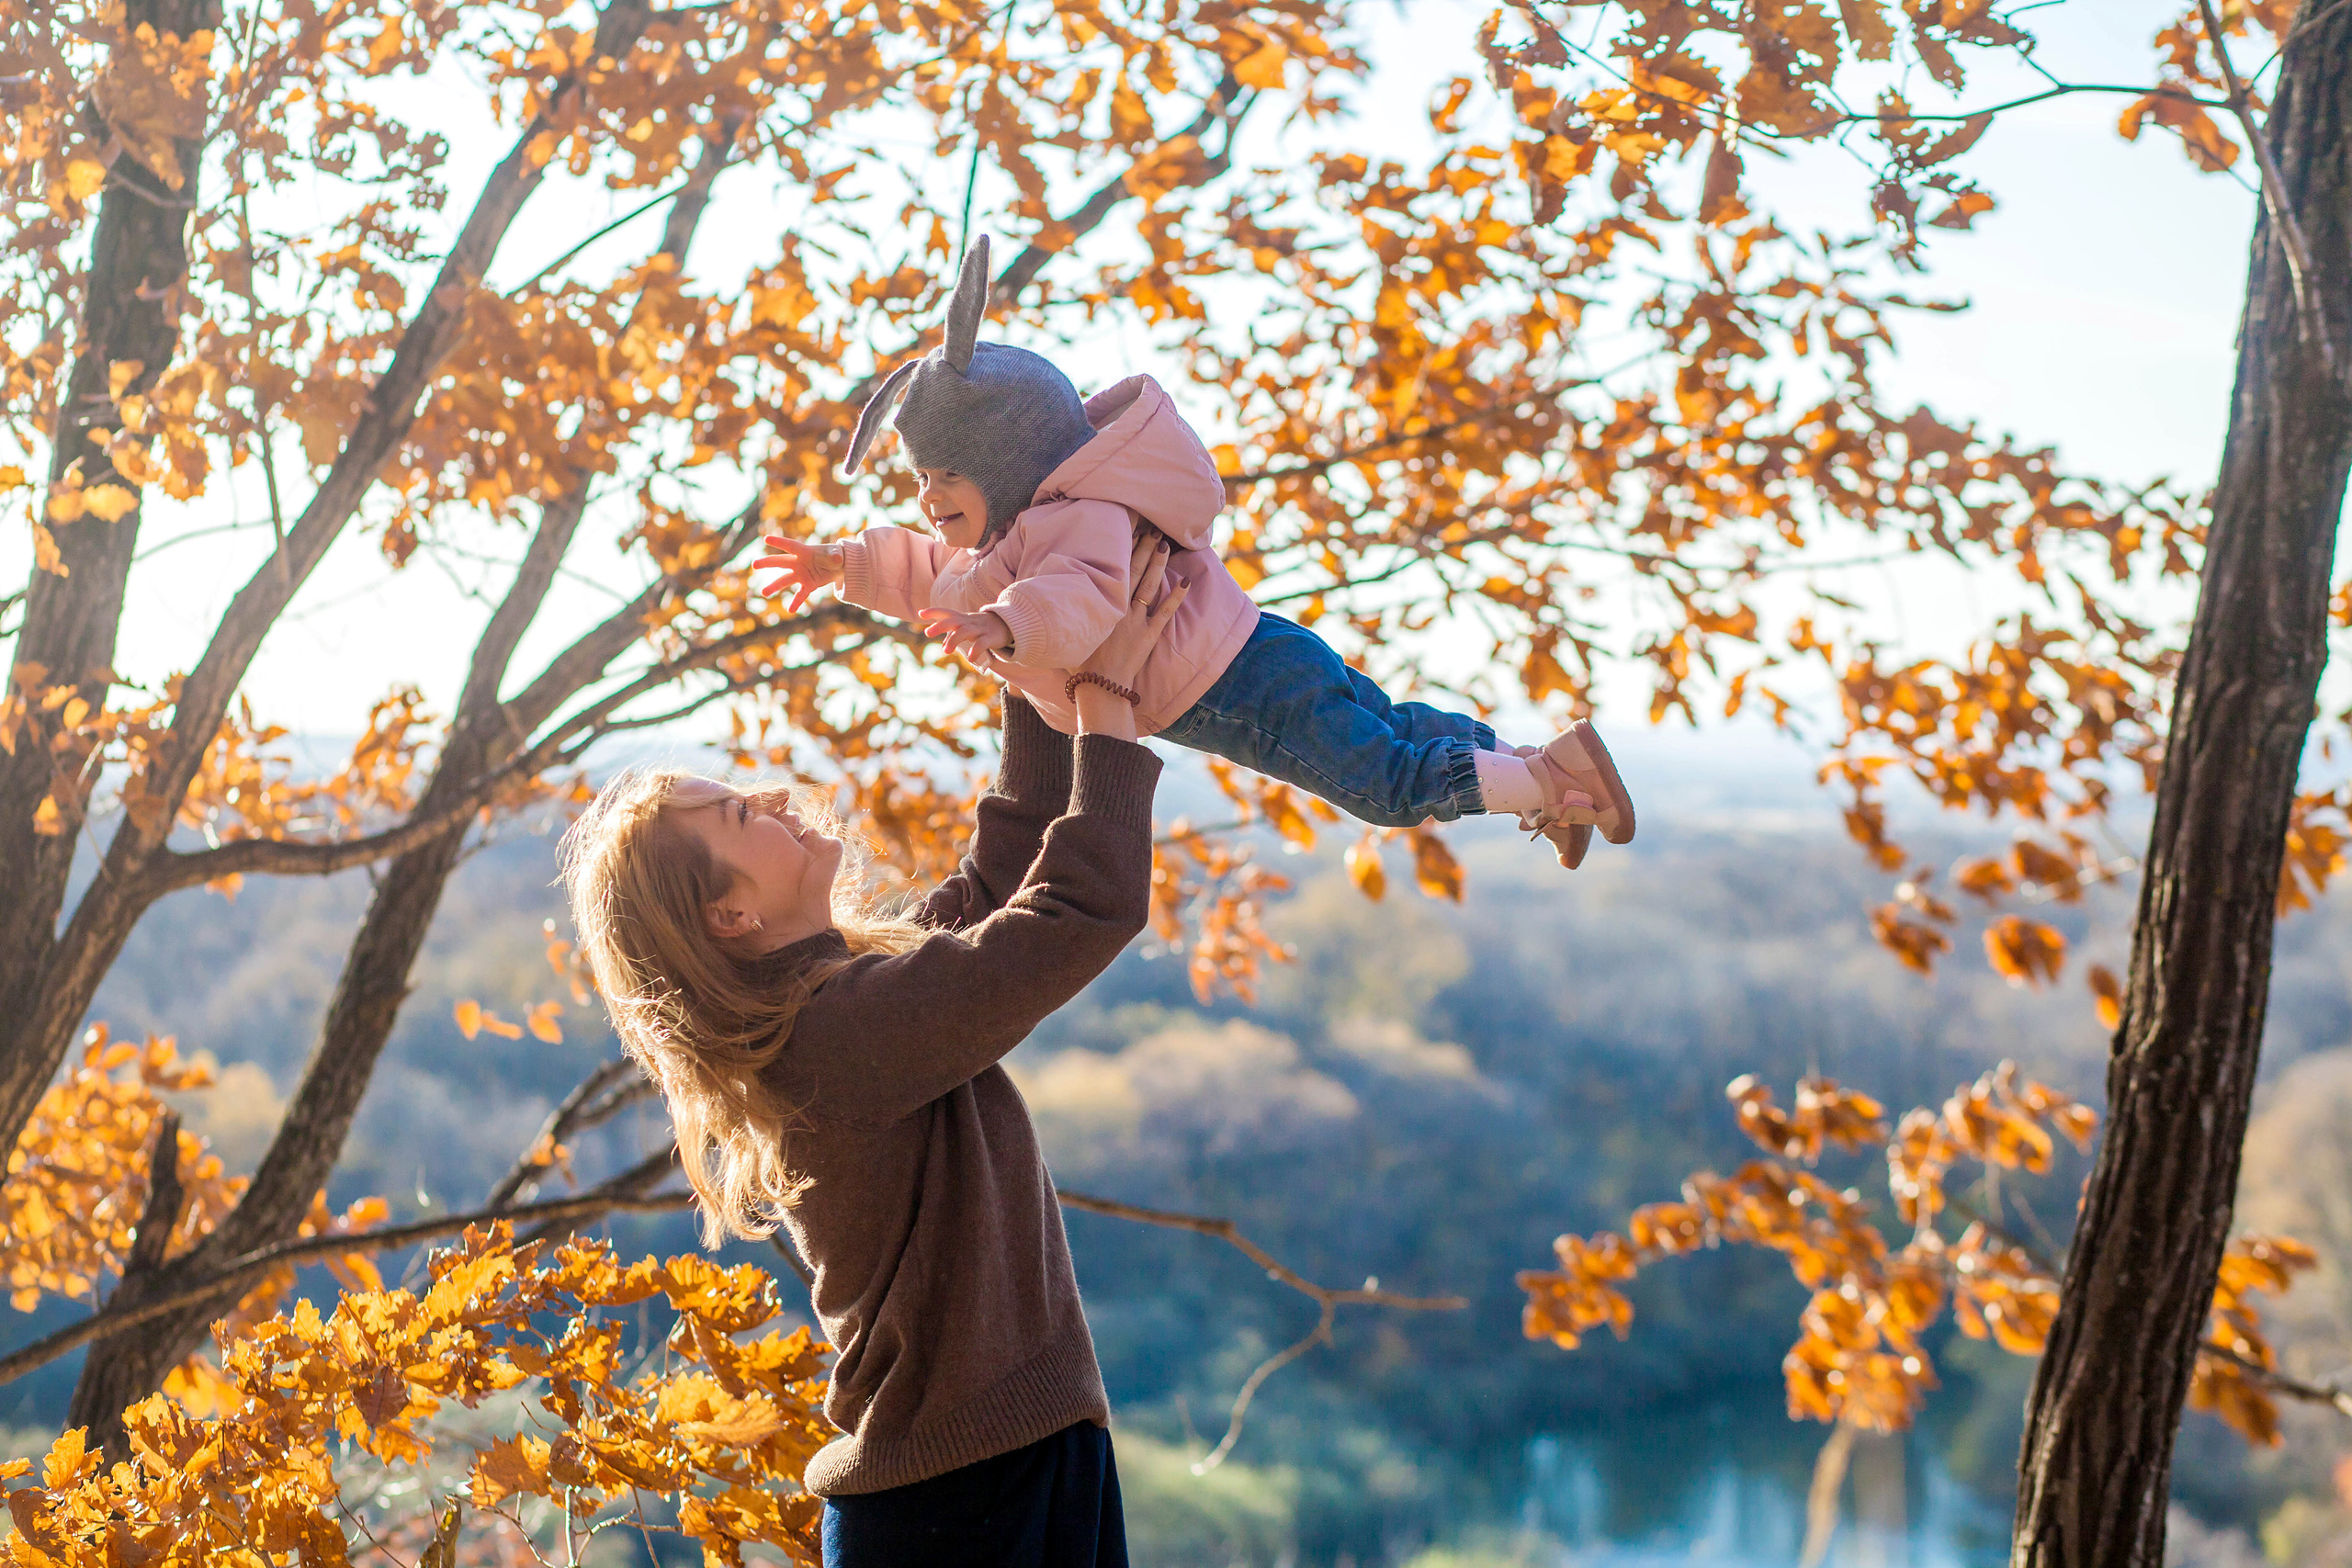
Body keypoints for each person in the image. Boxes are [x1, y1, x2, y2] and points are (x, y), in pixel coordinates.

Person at [560, 536, 1192, 1567]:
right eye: (737, 814)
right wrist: (1107, 715)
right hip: (960, 1503)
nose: (769, 796)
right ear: (728, 916)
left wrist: (1037, 676)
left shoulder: (841, 995)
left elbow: (999, 884)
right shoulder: (834, 1036)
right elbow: (1076, 912)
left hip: (997, 1468)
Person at [755, 234, 1636, 870]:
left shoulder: (1074, 519)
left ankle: (1544, 782)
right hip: (1255, 650)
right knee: (1393, 727)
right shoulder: (1017, 536)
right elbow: (930, 572)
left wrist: (1003, 625)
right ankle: (1537, 769)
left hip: (1227, 688)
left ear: (1008, 463)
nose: (926, 498)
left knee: (1383, 785)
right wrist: (846, 564)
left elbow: (1081, 598)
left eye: (944, 475)